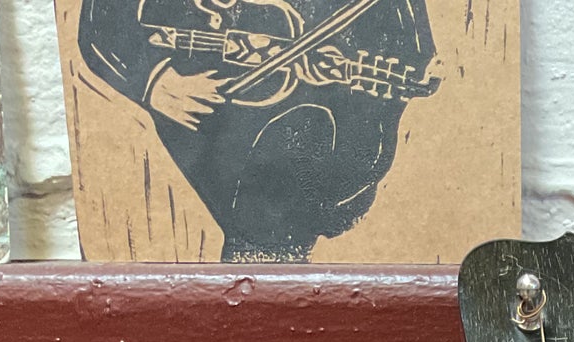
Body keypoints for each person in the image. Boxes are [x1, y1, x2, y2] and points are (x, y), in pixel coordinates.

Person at [77, 0, 437, 260]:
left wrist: (405, 73)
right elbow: (103, 21)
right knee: (268, 208)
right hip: (218, 100)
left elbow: (413, 48)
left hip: (349, 108)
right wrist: (152, 82)